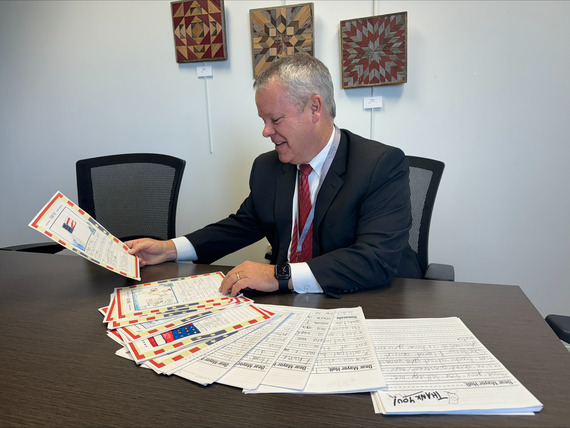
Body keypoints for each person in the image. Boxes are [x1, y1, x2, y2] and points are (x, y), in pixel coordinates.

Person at [126, 53, 421, 297]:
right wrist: (169, 248)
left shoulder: (381, 164)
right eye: (263, 120)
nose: (265, 131)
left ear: (314, 108)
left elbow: (375, 259)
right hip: (291, 303)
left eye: (275, 119)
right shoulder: (268, 167)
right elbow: (241, 226)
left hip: (367, 301)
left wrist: (277, 274)